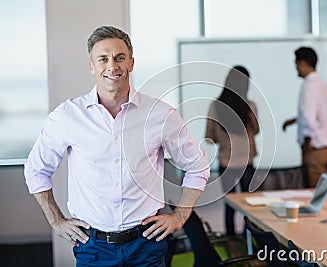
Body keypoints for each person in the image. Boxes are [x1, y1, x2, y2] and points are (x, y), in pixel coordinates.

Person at [24, 25, 210, 267]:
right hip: (93, 248)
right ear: (92, 66)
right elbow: (36, 171)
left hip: (147, 246)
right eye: (103, 59)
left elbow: (198, 167)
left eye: (119, 57)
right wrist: (56, 221)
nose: (112, 66)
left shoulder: (160, 115)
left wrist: (179, 217)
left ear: (131, 63)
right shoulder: (68, 116)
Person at [205, 66, 259, 236]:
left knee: (230, 204)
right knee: (249, 205)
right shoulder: (250, 106)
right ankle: (249, 241)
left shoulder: (216, 106)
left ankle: (231, 241)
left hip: (226, 161)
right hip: (247, 162)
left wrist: (222, 135)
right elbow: (256, 130)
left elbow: (209, 137)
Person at [282, 47, 327, 187]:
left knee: (314, 194)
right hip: (325, 149)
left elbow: (309, 117)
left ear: (303, 63)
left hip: (313, 149)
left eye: (296, 64)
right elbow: (318, 114)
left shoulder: (309, 86)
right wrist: (294, 120)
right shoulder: (325, 86)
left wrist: (307, 140)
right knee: (322, 190)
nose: (296, 69)